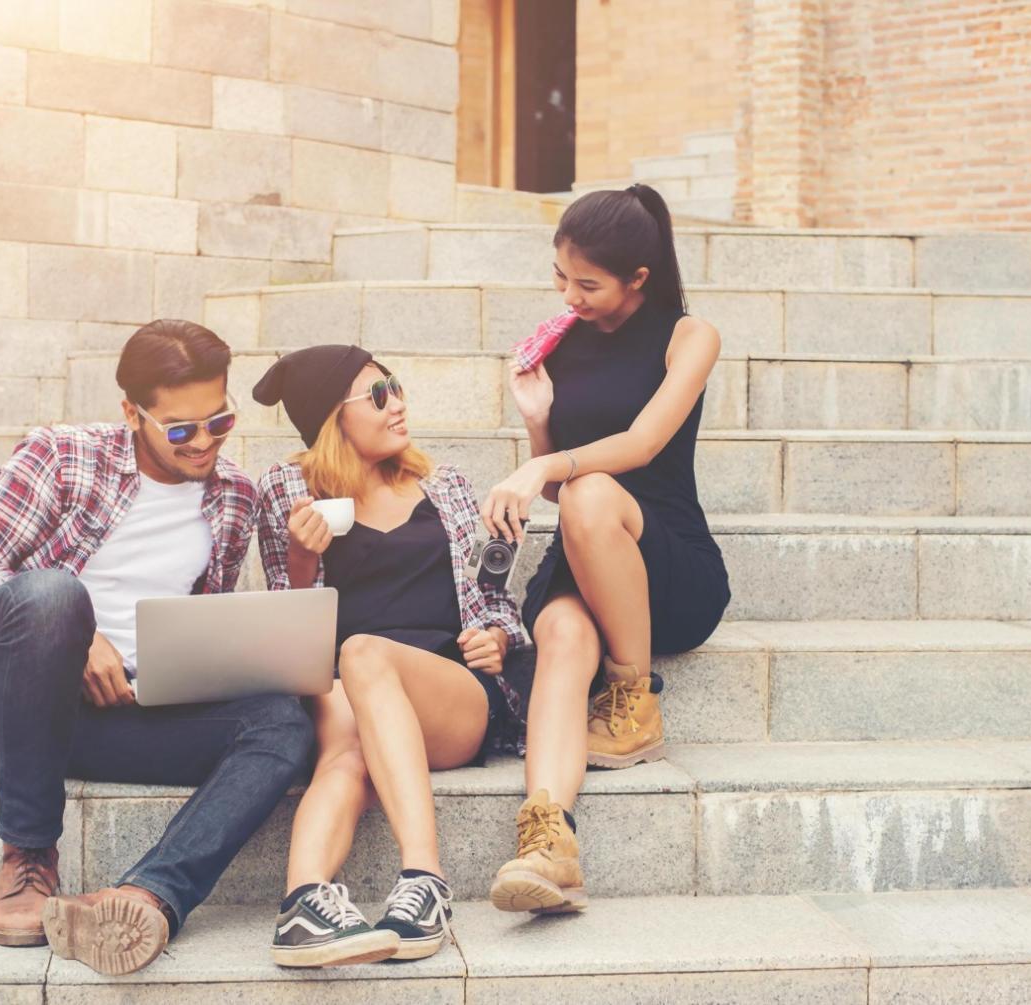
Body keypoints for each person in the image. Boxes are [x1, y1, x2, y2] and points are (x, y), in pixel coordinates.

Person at [0, 319, 314, 975]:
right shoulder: (63, 455)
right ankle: (27, 854)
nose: (204, 442)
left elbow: (203, 626)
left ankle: (148, 895)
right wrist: (77, 639)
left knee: (280, 721)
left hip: (114, 708)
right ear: (132, 412)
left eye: (219, 421)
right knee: (53, 596)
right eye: (181, 429)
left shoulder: (235, 496)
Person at [481, 183, 731, 915]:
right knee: (558, 629)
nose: (570, 295)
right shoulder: (563, 340)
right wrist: (537, 425)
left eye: (587, 283)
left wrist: (546, 466)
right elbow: (559, 489)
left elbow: (642, 444)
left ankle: (633, 692)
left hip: (667, 562)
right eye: (561, 276)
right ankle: (548, 841)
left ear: (638, 279)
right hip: (589, 546)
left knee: (591, 495)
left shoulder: (690, 336)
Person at [253, 345, 529, 967]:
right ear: (333, 419)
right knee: (347, 744)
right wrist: (301, 557)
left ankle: (424, 881)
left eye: (396, 387)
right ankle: (302, 905)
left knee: (364, 654)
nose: (398, 403)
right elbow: (289, 625)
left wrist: (500, 637)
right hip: (346, 690)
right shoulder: (289, 490)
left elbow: (492, 599)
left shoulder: (445, 484)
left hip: (447, 689)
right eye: (378, 396)